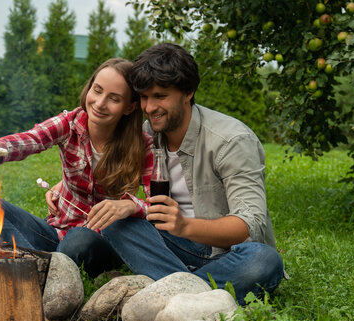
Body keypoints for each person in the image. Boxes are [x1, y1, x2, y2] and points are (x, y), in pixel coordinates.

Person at [51, 43, 284, 305]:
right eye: (144, 97)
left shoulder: (231, 141)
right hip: (164, 244)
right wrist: (64, 184)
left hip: (222, 252)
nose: (150, 108)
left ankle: (169, 287)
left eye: (160, 96)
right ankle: (194, 292)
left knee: (264, 261)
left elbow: (249, 224)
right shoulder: (148, 134)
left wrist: (184, 225)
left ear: (188, 92)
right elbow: (110, 167)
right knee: (116, 222)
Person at [0, 58, 154, 278]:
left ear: (130, 107)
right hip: (56, 232)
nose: (99, 103)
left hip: (101, 243)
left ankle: (44, 270)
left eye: (114, 99)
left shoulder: (142, 145)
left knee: (78, 238)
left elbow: (154, 206)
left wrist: (129, 205)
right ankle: (31, 263)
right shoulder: (70, 123)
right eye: (96, 91)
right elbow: (30, 139)